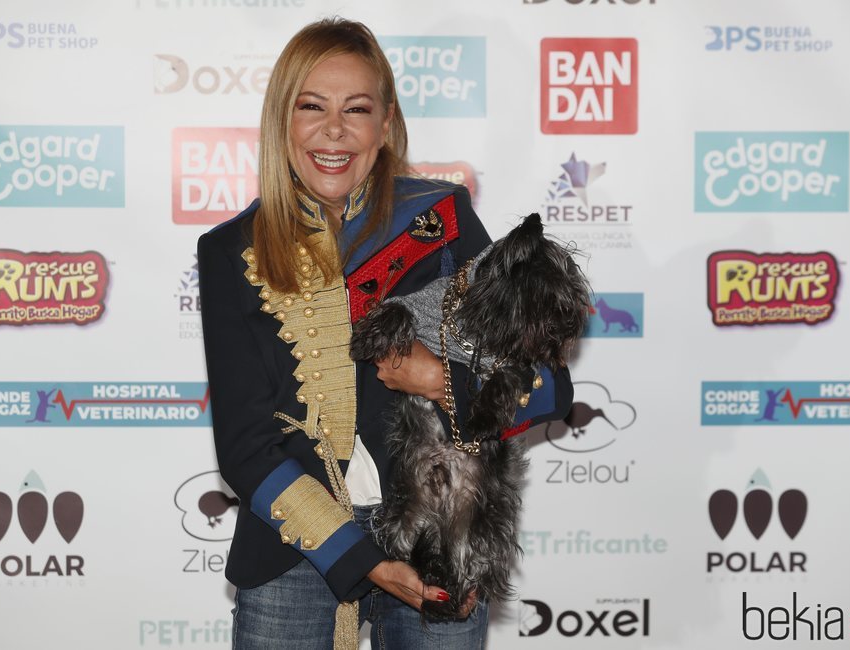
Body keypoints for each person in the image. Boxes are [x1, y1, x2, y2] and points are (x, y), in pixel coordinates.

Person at [197, 18, 573, 650]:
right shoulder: (230, 251)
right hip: (292, 544)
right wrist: (361, 559)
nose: (334, 130)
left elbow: (547, 388)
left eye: (357, 109)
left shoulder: (443, 220)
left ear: (386, 122)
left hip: (440, 534)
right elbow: (245, 447)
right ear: (280, 120)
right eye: (310, 106)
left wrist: (437, 379)